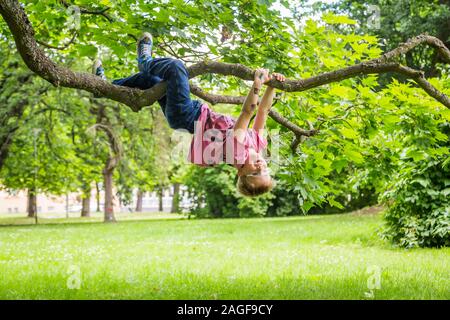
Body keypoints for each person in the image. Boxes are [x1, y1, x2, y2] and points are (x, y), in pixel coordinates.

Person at [92, 33, 285, 196]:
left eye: (256, 172)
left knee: (176, 67)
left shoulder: (236, 152)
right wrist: (272, 86)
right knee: (151, 80)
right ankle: (103, 87)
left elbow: (247, 112)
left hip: (185, 116)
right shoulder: (259, 145)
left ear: (240, 172)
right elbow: (263, 110)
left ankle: (145, 61)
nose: (261, 166)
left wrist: (258, 83)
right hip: (192, 112)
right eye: (265, 170)